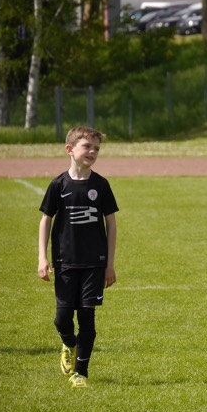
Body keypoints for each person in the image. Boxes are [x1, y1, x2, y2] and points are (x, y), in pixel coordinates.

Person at [38, 126, 119, 388]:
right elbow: (46, 220)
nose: (92, 151)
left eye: (97, 148)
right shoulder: (58, 185)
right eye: (87, 146)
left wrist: (109, 264)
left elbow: (111, 224)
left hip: (94, 263)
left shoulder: (101, 185)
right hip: (64, 262)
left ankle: (80, 373)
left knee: (86, 317)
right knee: (62, 318)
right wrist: (42, 258)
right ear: (70, 150)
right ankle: (69, 343)